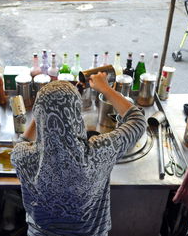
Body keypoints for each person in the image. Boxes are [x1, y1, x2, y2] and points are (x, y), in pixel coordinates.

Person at [11, 72, 146, 236]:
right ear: (76, 114)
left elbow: (23, 141)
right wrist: (105, 88)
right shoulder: (101, 151)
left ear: (38, 113)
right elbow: (137, 121)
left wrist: (45, 109)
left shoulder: (22, 156)